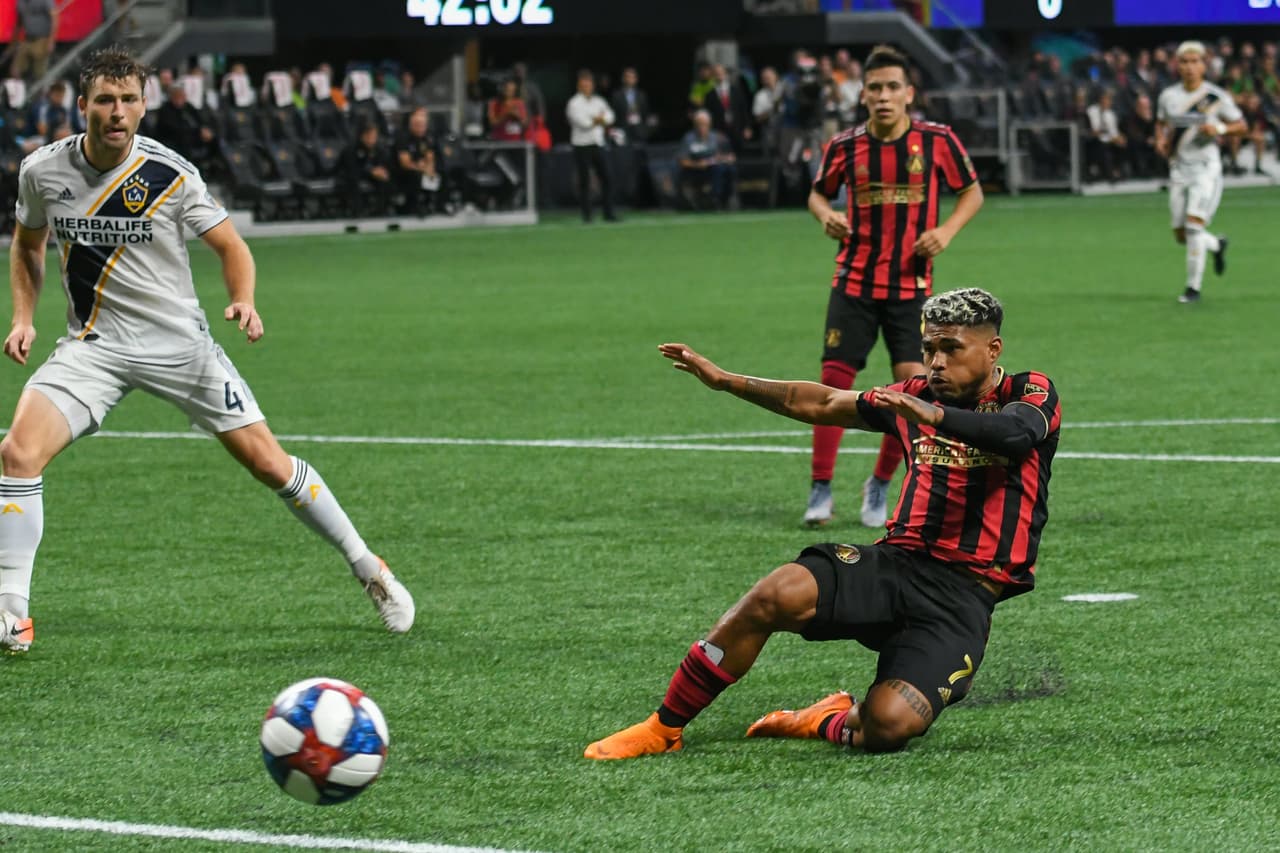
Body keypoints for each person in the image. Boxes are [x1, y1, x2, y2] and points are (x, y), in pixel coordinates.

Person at [0, 47, 415, 654]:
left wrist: (243, 299)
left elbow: (231, 246)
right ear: (81, 104)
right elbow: (27, 245)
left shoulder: (169, 173)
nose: (118, 113)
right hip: (94, 347)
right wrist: (23, 317)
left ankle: (368, 566)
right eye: (106, 100)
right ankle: (12, 612)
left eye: (129, 100)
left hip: (179, 347)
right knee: (17, 454)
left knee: (269, 464)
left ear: (144, 106)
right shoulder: (42, 171)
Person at [584, 288, 1060, 760]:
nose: (936, 363)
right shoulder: (914, 397)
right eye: (929, 348)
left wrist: (935, 415)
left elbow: (1016, 434)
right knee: (776, 593)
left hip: (962, 598)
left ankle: (823, 718)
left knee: (889, 725)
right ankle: (664, 727)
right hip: (898, 565)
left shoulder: (1027, 392)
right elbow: (823, 402)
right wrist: (728, 381)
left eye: (951, 348)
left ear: (992, 349)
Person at [803, 45, 984, 530]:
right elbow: (817, 194)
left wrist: (946, 231)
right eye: (875, 88)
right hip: (854, 282)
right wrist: (826, 215)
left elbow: (972, 191)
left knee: (914, 390)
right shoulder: (844, 146)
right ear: (862, 94)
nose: (883, 96)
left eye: (892, 87)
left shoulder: (937, 140)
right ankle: (821, 487)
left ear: (909, 93)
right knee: (833, 384)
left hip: (911, 287)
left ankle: (880, 483)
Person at [1155, 41, 1246, 304]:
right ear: (1177, 65)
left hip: (1206, 170)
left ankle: (1192, 288)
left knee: (1194, 226)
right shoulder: (1169, 96)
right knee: (1181, 235)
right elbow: (1161, 123)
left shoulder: (1215, 97)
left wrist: (1219, 129)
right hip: (1179, 170)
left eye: (1195, 61)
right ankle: (1216, 245)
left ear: (1204, 65)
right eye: (1184, 62)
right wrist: (1160, 139)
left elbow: (1241, 125)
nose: (1189, 67)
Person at [565, 69, 618, 223]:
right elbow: (583, 123)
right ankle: (587, 215)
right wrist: (598, 120)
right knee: (585, 181)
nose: (586, 87)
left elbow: (610, 117)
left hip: (598, 143)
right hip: (581, 145)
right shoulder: (574, 103)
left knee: (607, 178)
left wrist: (599, 120)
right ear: (579, 86)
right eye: (583, 84)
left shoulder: (599, 101)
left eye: (588, 84)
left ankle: (608, 213)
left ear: (592, 85)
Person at [678, 109, 737, 210]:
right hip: (695, 170)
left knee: (729, 169)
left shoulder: (716, 137)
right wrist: (697, 164)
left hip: (714, 167)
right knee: (720, 170)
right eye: (699, 124)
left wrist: (724, 158)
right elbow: (682, 161)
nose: (702, 127)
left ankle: (725, 198)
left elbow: (728, 155)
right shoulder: (688, 138)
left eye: (705, 124)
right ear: (695, 125)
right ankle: (714, 199)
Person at [395, 107, 442, 215]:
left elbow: (430, 157)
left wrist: (429, 169)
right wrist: (420, 167)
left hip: (422, 168)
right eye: (418, 125)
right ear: (411, 124)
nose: (421, 128)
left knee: (439, 172)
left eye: (423, 125)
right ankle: (414, 207)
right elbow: (405, 162)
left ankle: (437, 205)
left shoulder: (427, 137)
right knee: (416, 175)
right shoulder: (403, 137)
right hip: (404, 171)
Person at [342, 121, 395, 216]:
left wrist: (382, 171)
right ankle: (358, 211)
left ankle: (381, 210)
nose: (372, 139)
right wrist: (370, 171)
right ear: (362, 136)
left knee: (385, 179)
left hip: (369, 174)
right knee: (353, 179)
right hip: (352, 174)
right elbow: (352, 167)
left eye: (374, 136)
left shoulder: (378, 148)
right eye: (369, 136)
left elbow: (384, 163)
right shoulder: (351, 148)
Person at [9, 0, 59, 82]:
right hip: (27, 39)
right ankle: (19, 88)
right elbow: (19, 22)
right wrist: (13, 42)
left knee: (39, 73)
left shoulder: (45, 1)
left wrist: (51, 41)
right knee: (15, 70)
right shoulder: (20, 2)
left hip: (42, 39)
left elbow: (55, 18)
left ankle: (41, 89)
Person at [609, 67, 656, 146]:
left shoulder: (641, 95)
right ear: (623, 78)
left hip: (640, 131)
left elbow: (646, 113)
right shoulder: (616, 95)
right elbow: (614, 114)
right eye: (628, 77)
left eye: (632, 77)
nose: (630, 79)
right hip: (623, 131)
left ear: (636, 79)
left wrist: (646, 129)